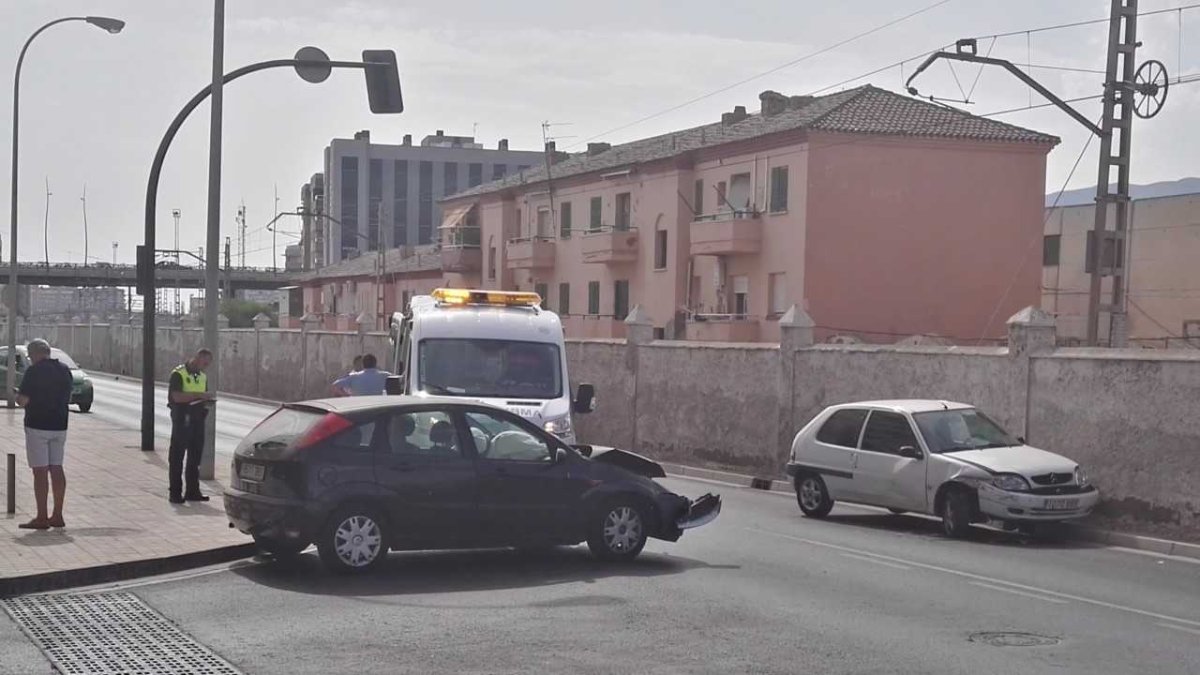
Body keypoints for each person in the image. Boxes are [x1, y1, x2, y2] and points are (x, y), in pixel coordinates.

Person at [16, 339, 74, 530]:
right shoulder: (64, 370)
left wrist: (17, 397)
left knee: (40, 470)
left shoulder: (33, 372)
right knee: (56, 467)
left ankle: (41, 517)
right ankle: (57, 515)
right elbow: (68, 396)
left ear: (34, 354)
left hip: (37, 426)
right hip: (60, 425)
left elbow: (23, 400)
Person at [167, 348, 216, 504]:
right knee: (177, 457)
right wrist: (199, 395)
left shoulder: (202, 376)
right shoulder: (178, 373)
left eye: (208, 364)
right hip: (182, 419)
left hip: (197, 419)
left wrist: (207, 401)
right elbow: (176, 396)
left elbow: (203, 394)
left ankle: (192, 491)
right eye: (204, 363)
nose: (205, 367)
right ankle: (175, 493)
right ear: (197, 358)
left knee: (195, 457)